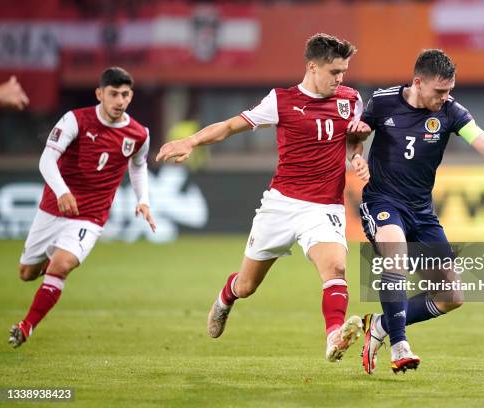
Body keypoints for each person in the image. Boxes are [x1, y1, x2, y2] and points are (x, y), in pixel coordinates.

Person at [156, 33, 371, 362]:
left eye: (343, 72)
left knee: (336, 269)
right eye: (334, 72)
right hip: (281, 205)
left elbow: (354, 137)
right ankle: (226, 297)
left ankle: (333, 337)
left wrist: (356, 154)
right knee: (247, 286)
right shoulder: (281, 101)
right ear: (313, 67)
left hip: (325, 205)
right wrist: (192, 142)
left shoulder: (350, 99)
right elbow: (230, 127)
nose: (339, 78)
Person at [357, 49, 484, 374]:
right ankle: (400, 345)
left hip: (422, 213)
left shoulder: (451, 111)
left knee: (451, 296)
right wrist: (355, 156)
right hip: (383, 201)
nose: (445, 97)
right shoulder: (382, 102)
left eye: (449, 90)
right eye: (439, 91)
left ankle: (382, 325)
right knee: (395, 253)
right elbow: (355, 135)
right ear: (418, 83)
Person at [9, 67, 156, 348]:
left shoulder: (139, 134)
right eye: (113, 94)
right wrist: (62, 191)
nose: (119, 101)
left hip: (90, 217)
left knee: (61, 265)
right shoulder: (75, 120)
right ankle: (46, 267)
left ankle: (26, 325)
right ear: (100, 94)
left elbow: (138, 167)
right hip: (53, 209)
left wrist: (144, 200)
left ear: (131, 96)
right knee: (26, 273)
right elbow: (46, 161)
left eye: (125, 95)